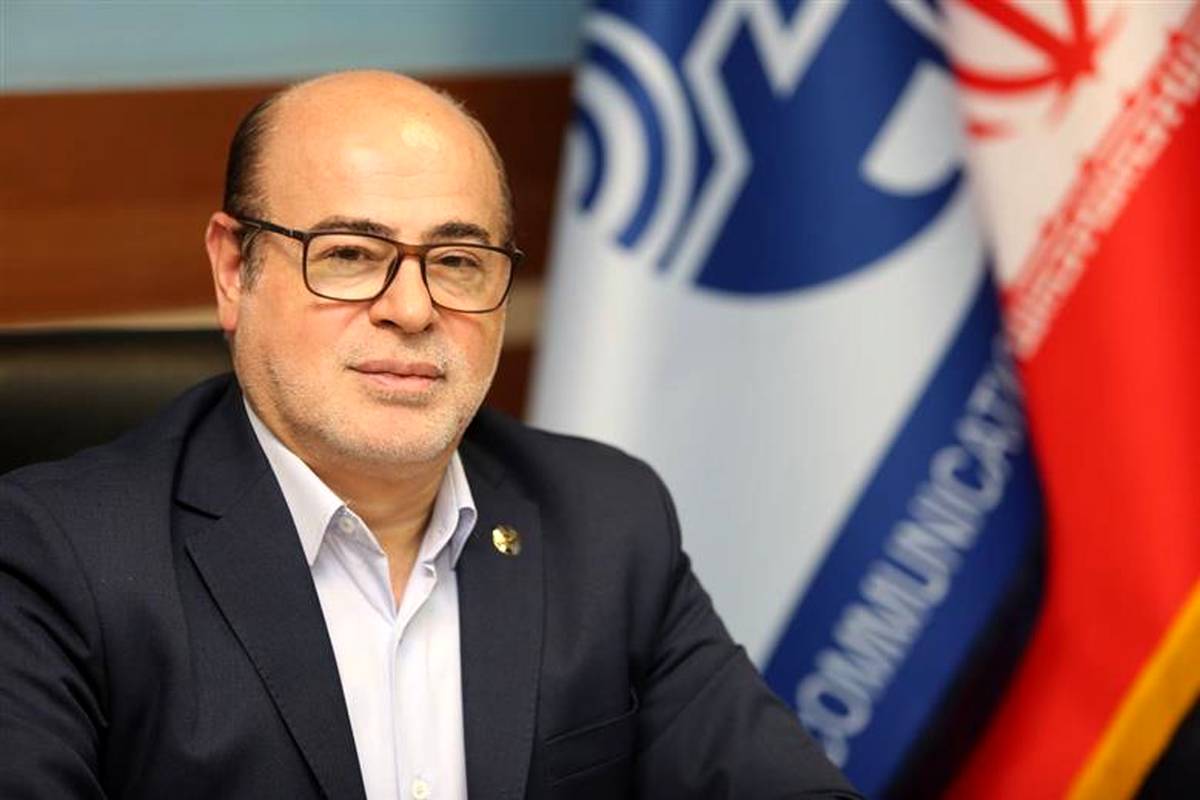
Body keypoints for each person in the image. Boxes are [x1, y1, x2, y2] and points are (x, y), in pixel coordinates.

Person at [0, 71, 860, 799]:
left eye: (456, 262)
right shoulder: (54, 559)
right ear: (234, 270)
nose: (412, 309)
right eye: (347, 254)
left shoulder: (605, 521)